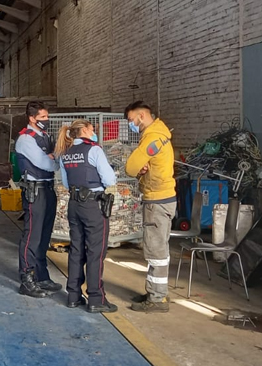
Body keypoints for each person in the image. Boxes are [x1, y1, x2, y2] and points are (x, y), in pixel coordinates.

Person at [56, 120, 118, 313]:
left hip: (74, 205)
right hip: (93, 206)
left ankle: (73, 296)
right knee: (95, 252)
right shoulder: (94, 150)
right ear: (84, 130)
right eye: (92, 129)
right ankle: (96, 299)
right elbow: (109, 179)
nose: (94, 132)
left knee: (76, 250)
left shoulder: (64, 153)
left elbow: (66, 183)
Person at [124, 101, 177, 313]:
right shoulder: (159, 134)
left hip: (157, 200)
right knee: (159, 249)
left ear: (141, 116)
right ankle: (156, 292)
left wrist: (139, 168)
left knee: (156, 251)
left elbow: (130, 167)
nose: (131, 125)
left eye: (131, 120)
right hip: (163, 198)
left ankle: (157, 299)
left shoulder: (153, 138)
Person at [14, 101, 60, 298]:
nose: (46, 121)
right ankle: (27, 278)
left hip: (48, 189)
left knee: (44, 236)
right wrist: (52, 159)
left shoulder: (45, 137)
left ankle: (42, 276)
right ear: (32, 118)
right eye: (42, 118)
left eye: (47, 117)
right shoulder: (26, 139)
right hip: (35, 192)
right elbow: (46, 164)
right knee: (32, 236)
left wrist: (52, 158)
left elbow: (53, 163)